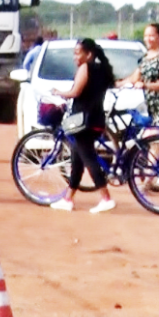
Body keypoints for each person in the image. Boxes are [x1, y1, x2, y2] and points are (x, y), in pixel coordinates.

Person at [50, 38, 116, 214]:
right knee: (77, 160)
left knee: (88, 160)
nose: (75, 57)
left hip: (82, 121)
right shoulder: (103, 69)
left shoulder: (85, 68)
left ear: (89, 54)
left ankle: (106, 198)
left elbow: (75, 92)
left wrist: (58, 93)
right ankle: (68, 199)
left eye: (78, 53)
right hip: (96, 120)